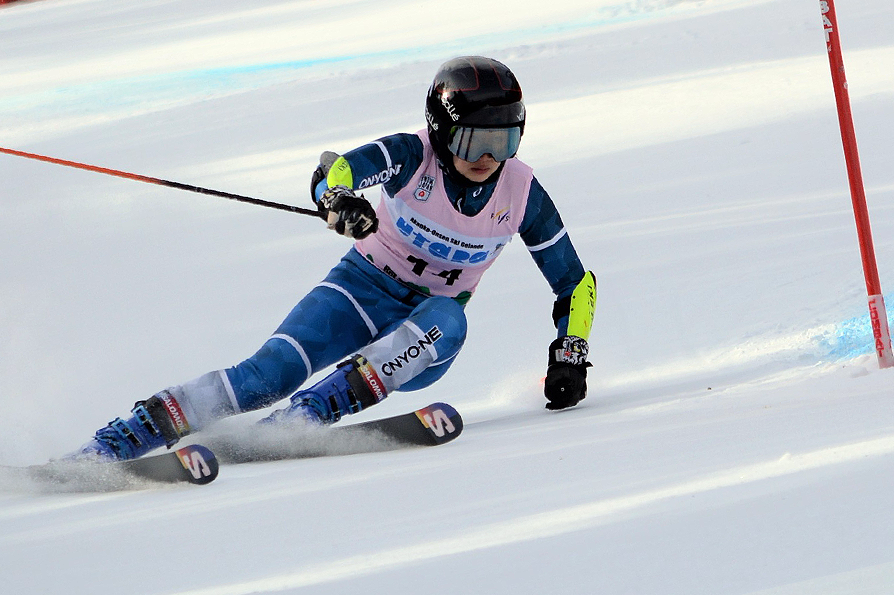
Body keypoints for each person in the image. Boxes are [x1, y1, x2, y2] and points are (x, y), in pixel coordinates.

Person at [74, 56, 597, 461]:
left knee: (448, 315)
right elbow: (337, 169)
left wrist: (569, 355)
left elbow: (575, 284)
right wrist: (338, 200)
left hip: (425, 335)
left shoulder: (521, 191)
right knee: (266, 375)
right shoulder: (413, 156)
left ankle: (307, 416)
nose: (489, 157)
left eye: (504, 141)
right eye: (475, 139)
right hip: (360, 289)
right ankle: (127, 437)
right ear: (441, 130)